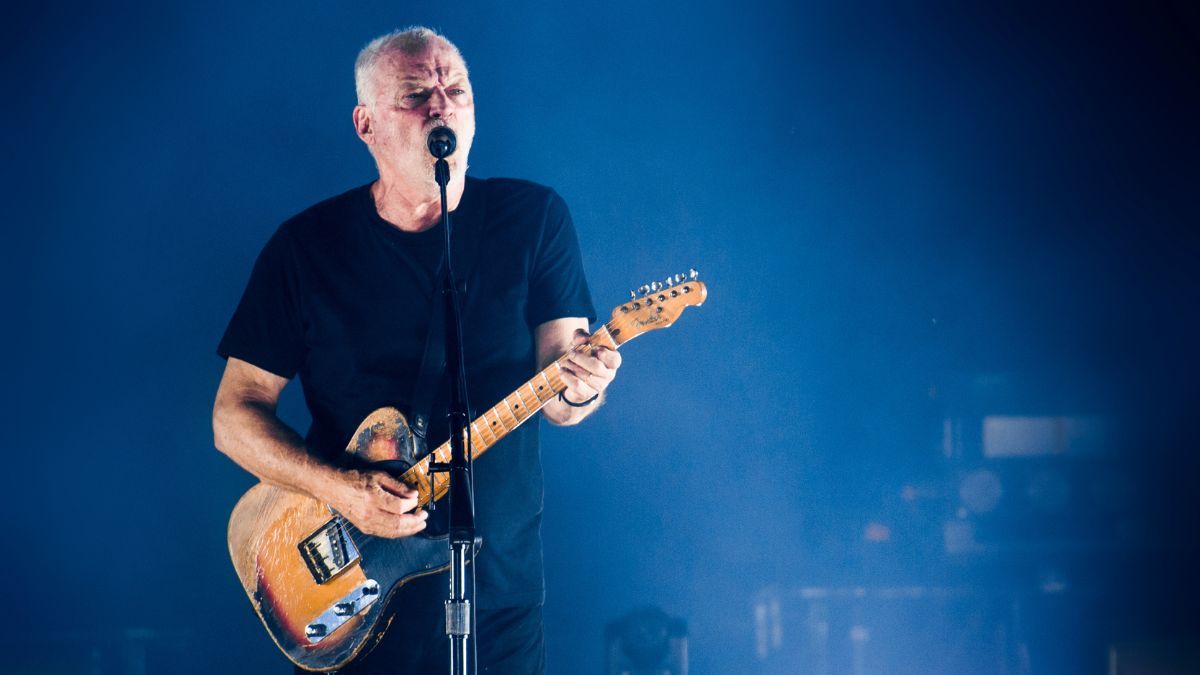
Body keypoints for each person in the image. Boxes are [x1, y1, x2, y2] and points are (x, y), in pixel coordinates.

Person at [212, 26, 620, 673]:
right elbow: (233, 414)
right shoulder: (306, 247)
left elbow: (563, 392)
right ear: (366, 123)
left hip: (499, 596)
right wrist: (340, 489)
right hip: (352, 588)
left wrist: (584, 383)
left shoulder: (533, 218)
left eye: (455, 88)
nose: (442, 105)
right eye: (415, 94)